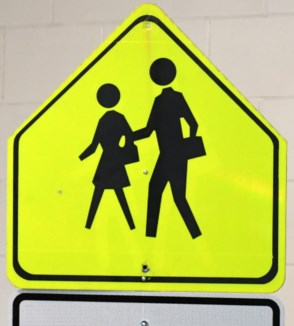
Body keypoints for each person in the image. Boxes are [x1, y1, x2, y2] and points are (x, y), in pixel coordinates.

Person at [134, 57, 203, 239]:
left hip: (169, 156)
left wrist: (130, 137)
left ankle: (152, 235)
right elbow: (193, 124)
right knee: (173, 196)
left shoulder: (163, 100)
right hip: (175, 156)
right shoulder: (173, 99)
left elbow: (148, 131)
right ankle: (191, 234)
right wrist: (187, 145)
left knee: (162, 193)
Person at [79, 83, 137, 230]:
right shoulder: (120, 118)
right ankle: (131, 225)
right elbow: (130, 137)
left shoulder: (103, 120)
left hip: (106, 162)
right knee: (119, 195)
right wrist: (123, 149)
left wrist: (80, 158)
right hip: (116, 160)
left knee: (98, 195)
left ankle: (88, 225)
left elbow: (93, 147)